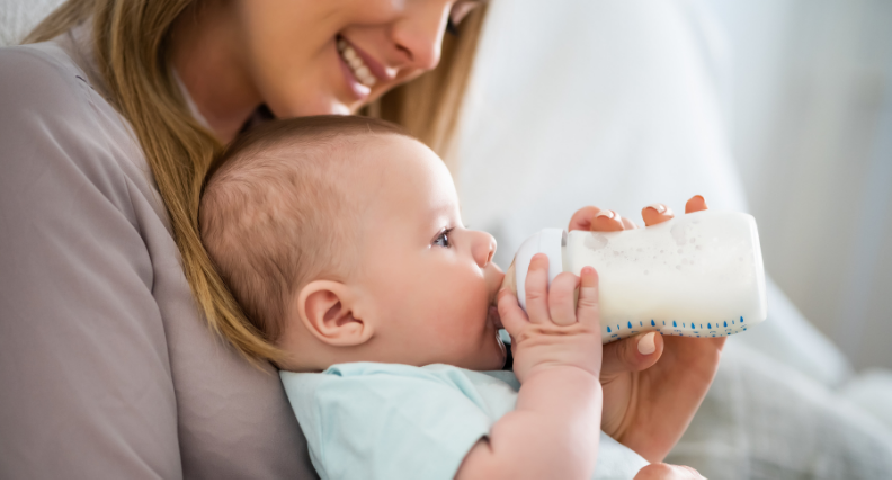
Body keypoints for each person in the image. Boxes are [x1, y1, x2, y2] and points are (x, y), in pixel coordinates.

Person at [0, 1, 719, 478]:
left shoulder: (337, 190)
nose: (426, 48)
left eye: (460, 10)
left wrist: (618, 432)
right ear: (334, 315)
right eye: (443, 238)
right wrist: (560, 387)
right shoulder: (46, 128)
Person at [199, 115, 707, 479]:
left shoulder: (445, 374)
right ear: (341, 314)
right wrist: (561, 371)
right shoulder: (369, 402)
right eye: (443, 236)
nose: (486, 244)